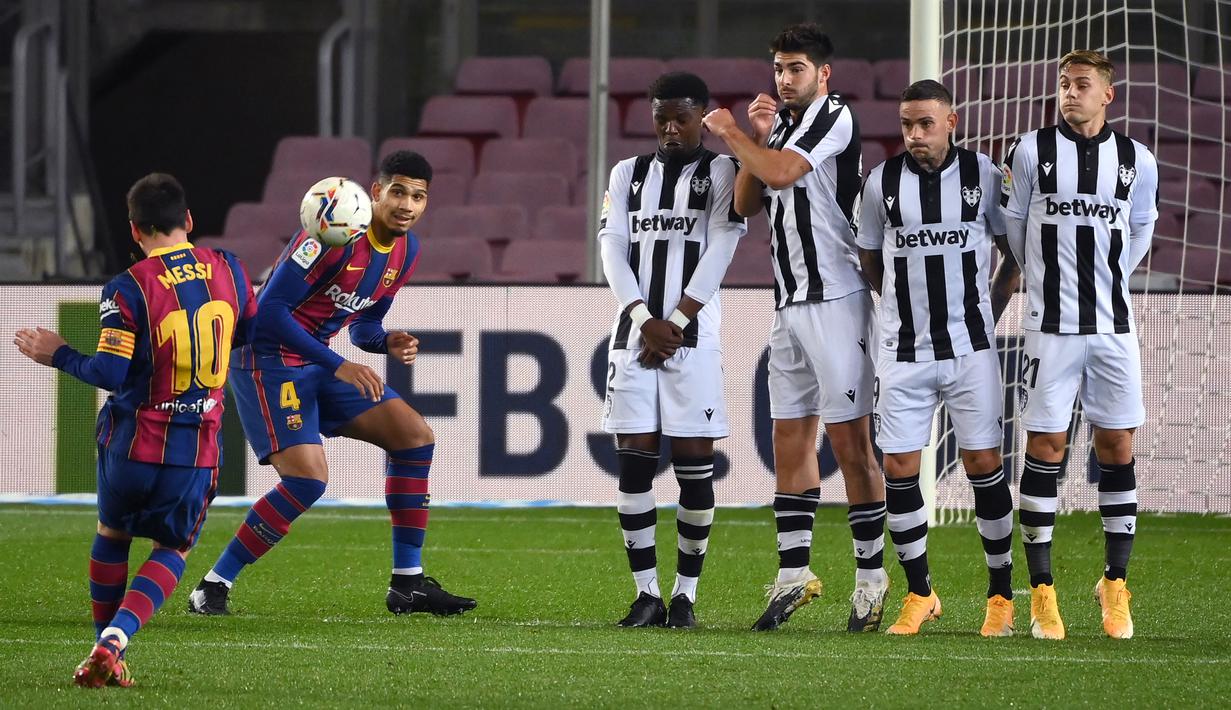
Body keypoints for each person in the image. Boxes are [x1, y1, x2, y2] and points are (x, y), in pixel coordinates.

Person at [187, 151, 476, 618]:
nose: (407, 204)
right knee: (307, 480)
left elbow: (364, 324)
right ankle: (213, 585)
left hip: (317, 359)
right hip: (268, 360)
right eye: (398, 191)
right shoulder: (332, 234)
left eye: (418, 196)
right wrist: (339, 365)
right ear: (376, 191)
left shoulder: (407, 251)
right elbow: (269, 315)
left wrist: (385, 341)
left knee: (415, 437)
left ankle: (408, 584)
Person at [14, 173, 258, 687]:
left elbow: (108, 373)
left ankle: (104, 649)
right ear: (188, 221)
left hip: (130, 446)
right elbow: (249, 333)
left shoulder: (128, 287)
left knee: (112, 535)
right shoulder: (230, 270)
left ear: (134, 230)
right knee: (172, 550)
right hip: (194, 448)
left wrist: (57, 352)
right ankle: (115, 642)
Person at [702, 22, 888, 632]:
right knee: (789, 439)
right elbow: (747, 203)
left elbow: (782, 174)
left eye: (797, 69)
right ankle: (792, 576)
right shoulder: (778, 126)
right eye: (779, 68)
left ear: (823, 73)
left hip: (838, 298)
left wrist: (731, 133)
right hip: (789, 302)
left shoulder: (835, 118)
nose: (785, 79)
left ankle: (870, 581)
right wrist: (752, 137)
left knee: (851, 445)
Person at [1000, 50, 1157, 640]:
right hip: (1050, 326)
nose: (1070, 93)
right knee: (1045, 445)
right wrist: (1041, 277)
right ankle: (1042, 591)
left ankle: (1114, 584)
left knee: (1116, 444)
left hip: (1114, 326)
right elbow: (1015, 228)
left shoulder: (1135, 160)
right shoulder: (1031, 150)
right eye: (1063, 85)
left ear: (1107, 94)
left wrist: (1109, 276)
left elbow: (1140, 227)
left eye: (1081, 85)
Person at [857, 80, 1021, 636]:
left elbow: (1012, 253)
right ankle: (921, 593)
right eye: (907, 124)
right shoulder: (881, 183)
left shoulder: (984, 176)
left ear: (951, 122)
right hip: (903, 353)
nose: (915, 134)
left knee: (983, 466)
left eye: (926, 123)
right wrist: (899, 310)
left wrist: (990, 309)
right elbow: (870, 257)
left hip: (970, 349)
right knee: (900, 468)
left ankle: (1001, 596)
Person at [599, 72, 747, 629]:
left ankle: (685, 596)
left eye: (682, 116)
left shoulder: (722, 171)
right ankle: (646, 594)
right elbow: (613, 248)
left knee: (694, 470)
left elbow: (723, 247)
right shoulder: (627, 174)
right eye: (661, 115)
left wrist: (677, 320)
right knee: (634, 467)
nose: (670, 127)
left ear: (702, 116)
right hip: (635, 338)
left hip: (693, 338)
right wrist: (644, 320)